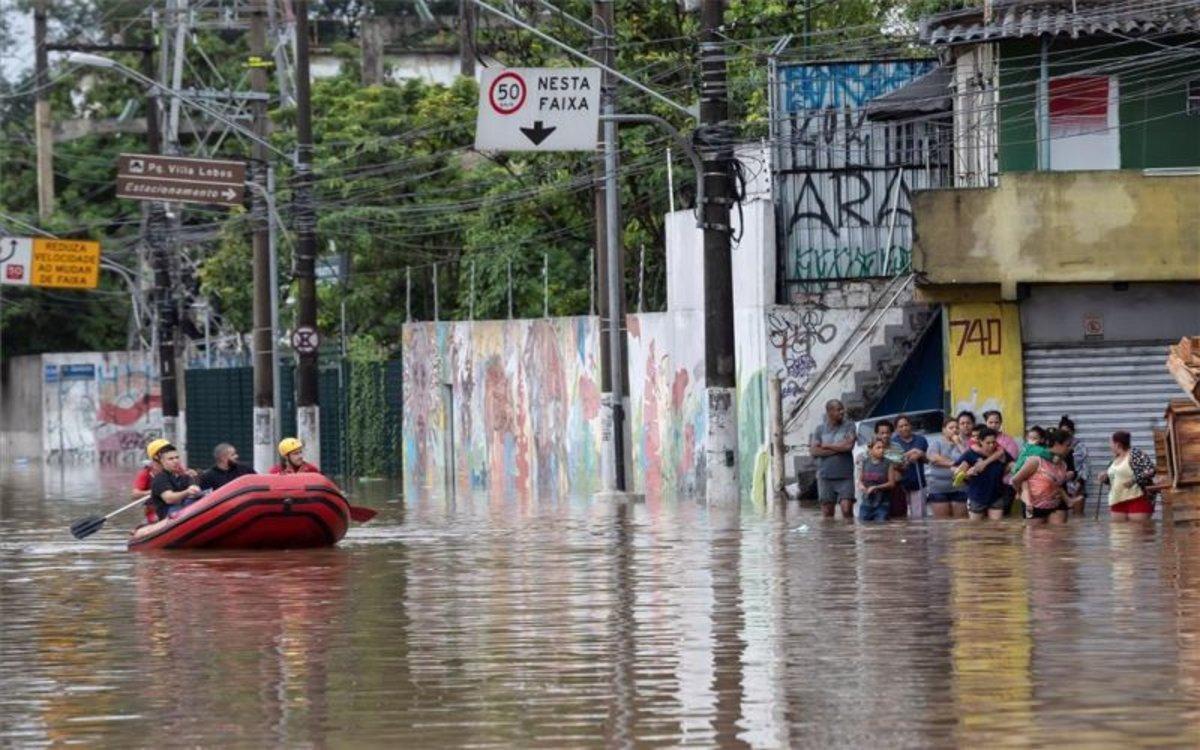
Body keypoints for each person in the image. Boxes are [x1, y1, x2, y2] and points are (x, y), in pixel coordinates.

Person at [1011, 428, 1072, 525]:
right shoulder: (1035, 460)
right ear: (1056, 444)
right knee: (1033, 537)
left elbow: (1059, 485)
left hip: (1056, 506)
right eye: (1067, 445)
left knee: (1059, 536)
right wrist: (1020, 493)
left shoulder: (1062, 464)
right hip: (1033, 507)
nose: (1070, 448)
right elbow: (1015, 480)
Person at [810, 399, 856, 520]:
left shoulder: (849, 426)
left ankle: (849, 538)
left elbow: (849, 446)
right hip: (825, 477)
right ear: (829, 412)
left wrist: (826, 446)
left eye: (842, 409)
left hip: (845, 476)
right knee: (827, 513)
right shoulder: (819, 429)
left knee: (847, 510)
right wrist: (839, 448)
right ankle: (831, 538)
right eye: (839, 410)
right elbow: (814, 451)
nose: (842, 412)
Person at [954, 427, 1010, 521]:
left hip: (996, 495)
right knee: (976, 530)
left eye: (993, 442)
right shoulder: (971, 453)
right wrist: (967, 473)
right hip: (977, 497)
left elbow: (1011, 464)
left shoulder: (1001, 453)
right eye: (988, 443)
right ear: (980, 441)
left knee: (997, 529)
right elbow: (955, 469)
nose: (991, 445)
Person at [1100, 430, 1156, 522]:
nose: (1110, 446)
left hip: (1137, 500)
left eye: (1111, 443)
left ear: (1118, 444)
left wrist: (1134, 480)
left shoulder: (1135, 454)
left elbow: (1150, 470)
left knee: (1137, 534)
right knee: (1118, 534)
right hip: (1116, 501)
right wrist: (1105, 478)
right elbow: (1116, 480)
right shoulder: (1115, 459)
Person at [925, 418, 969, 519]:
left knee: (961, 524)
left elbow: (968, 458)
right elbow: (934, 458)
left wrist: (958, 443)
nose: (954, 430)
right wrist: (954, 464)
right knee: (943, 523)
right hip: (938, 489)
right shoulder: (936, 444)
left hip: (960, 488)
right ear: (944, 430)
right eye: (951, 428)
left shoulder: (964, 444)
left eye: (957, 428)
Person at [148, 442, 203, 521]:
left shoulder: (182, 476)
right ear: (162, 461)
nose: (175, 461)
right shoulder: (160, 478)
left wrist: (195, 486)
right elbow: (169, 498)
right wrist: (187, 492)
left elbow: (192, 484)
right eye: (171, 459)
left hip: (183, 508)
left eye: (177, 457)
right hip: (169, 517)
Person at [983, 410, 1021, 515]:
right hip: (986, 485)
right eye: (990, 422)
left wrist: (995, 475)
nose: (994, 425)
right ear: (986, 423)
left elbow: (1011, 464)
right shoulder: (979, 440)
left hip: (1005, 484)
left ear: (1000, 423)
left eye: (996, 422)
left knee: (1003, 516)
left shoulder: (1008, 441)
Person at [891, 414, 929, 519]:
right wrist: (910, 453)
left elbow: (928, 460)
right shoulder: (893, 442)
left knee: (919, 517)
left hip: (918, 483)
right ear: (896, 429)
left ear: (910, 425)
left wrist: (921, 454)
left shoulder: (921, 440)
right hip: (900, 485)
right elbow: (893, 461)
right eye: (901, 426)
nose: (904, 428)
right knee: (901, 517)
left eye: (906, 425)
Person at [857, 437, 900, 522]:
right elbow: (860, 480)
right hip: (866, 504)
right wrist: (861, 486)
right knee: (863, 528)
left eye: (883, 447)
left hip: (882, 504)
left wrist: (876, 487)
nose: (882, 450)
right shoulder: (864, 462)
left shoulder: (888, 463)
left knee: (881, 529)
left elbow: (892, 483)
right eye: (878, 448)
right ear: (870, 449)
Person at [1059, 415, 1090, 516]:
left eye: (1068, 431)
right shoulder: (1056, 445)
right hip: (1061, 485)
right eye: (1062, 431)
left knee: (1078, 518)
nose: (1065, 434)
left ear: (1072, 432)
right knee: (1061, 516)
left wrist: (1080, 482)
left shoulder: (1080, 446)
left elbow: (1086, 466)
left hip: (1077, 484)